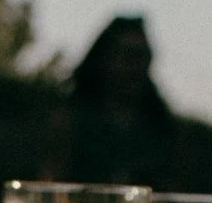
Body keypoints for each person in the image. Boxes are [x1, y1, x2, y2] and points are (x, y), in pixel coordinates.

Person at [46, 15, 177, 186]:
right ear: (104, 58)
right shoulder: (70, 120)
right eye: (128, 56)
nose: (136, 68)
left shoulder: (161, 129)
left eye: (143, 57)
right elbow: (52, 185)